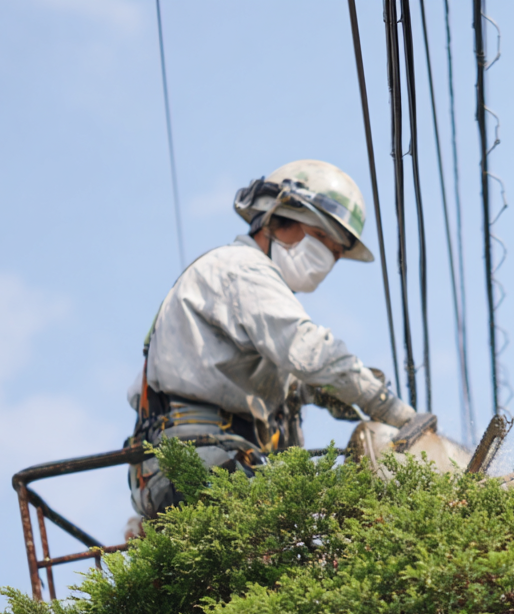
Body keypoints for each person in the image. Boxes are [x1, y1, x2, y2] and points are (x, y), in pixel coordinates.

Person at [126, 159, 416, 519]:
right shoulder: (242, 269)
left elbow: (289, 377)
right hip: (197, 458)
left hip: (219, 457)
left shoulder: (253, 299)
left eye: (336, 253)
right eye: (321, 238)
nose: (327, 259)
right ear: (275, 219)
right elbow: (311, 352)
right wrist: (393, 411)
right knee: (334, 516)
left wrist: (323, 390)